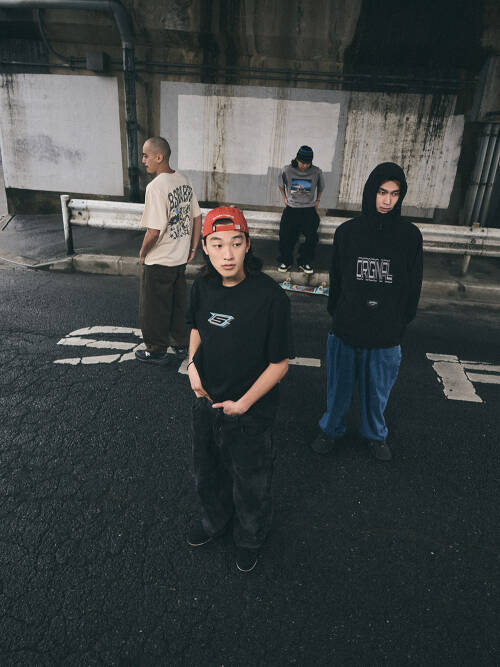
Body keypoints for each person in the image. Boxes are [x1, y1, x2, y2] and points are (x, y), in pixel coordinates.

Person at [186, 206, 294, 573]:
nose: (227, 254)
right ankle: (213, 522)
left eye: (235, 243)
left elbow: (280, 364)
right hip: (207, 403)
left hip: (251, 412)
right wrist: (192, 367)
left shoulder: (271, 298)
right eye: (217, 244)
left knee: (252, 481)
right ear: (205, 247)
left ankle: (249, 537)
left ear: (248, 244)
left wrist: (244, 404)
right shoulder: (203, 287)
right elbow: (196, 328)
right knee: (207, 471)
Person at [311, 162, 423, 461]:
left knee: (377, 394)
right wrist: (338, 314)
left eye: (394, 194)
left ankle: (375, 436)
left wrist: (400, 322)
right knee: (338, 390)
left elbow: (414, 284)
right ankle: (330, 430)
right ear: (370, 191)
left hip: (386, 333)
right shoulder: (348, 232)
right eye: (382, 192)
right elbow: (337, 279)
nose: (387, 200)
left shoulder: (410, 236)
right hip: (347, 328)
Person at [135, 136, 202, 365]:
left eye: (146, 155)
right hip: (179, 259)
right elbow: (197, 217)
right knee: (178, 305)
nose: (143, 160)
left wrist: (143, 252)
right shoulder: (183, 180)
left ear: (159, 157)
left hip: (160, 260)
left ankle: (156, 350)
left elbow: (154, 231)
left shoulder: (155, 187)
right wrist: (193, 247)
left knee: (153, 309)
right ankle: (181, 344)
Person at [277, 145, 325, 275]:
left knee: (312, 237)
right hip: (292, 209)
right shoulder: (287, 170)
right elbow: (280, 184)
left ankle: (304, 262)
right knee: (285, 234)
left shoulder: (316, 172)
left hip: (308, 209)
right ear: (297, 159)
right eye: (302, 162)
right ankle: (286, 261)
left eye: (308, 163)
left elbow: (321, 187)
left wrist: (317, 200)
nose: (304, 166)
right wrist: (285, 198)